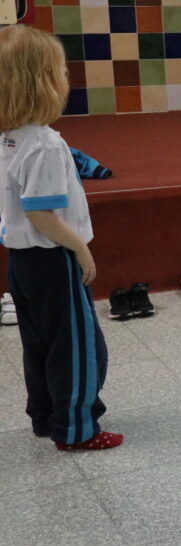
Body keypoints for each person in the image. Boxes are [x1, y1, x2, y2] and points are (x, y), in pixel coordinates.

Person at [0, 25, 122, 451]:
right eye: (62, 71)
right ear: (44, 84)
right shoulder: (46, 145)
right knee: (79, 347)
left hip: (21, 261)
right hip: (54, 259)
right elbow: (42, 214)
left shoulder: (10, 139)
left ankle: (44, 416)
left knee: (38, 343)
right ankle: (76, 428)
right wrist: (80, 247)